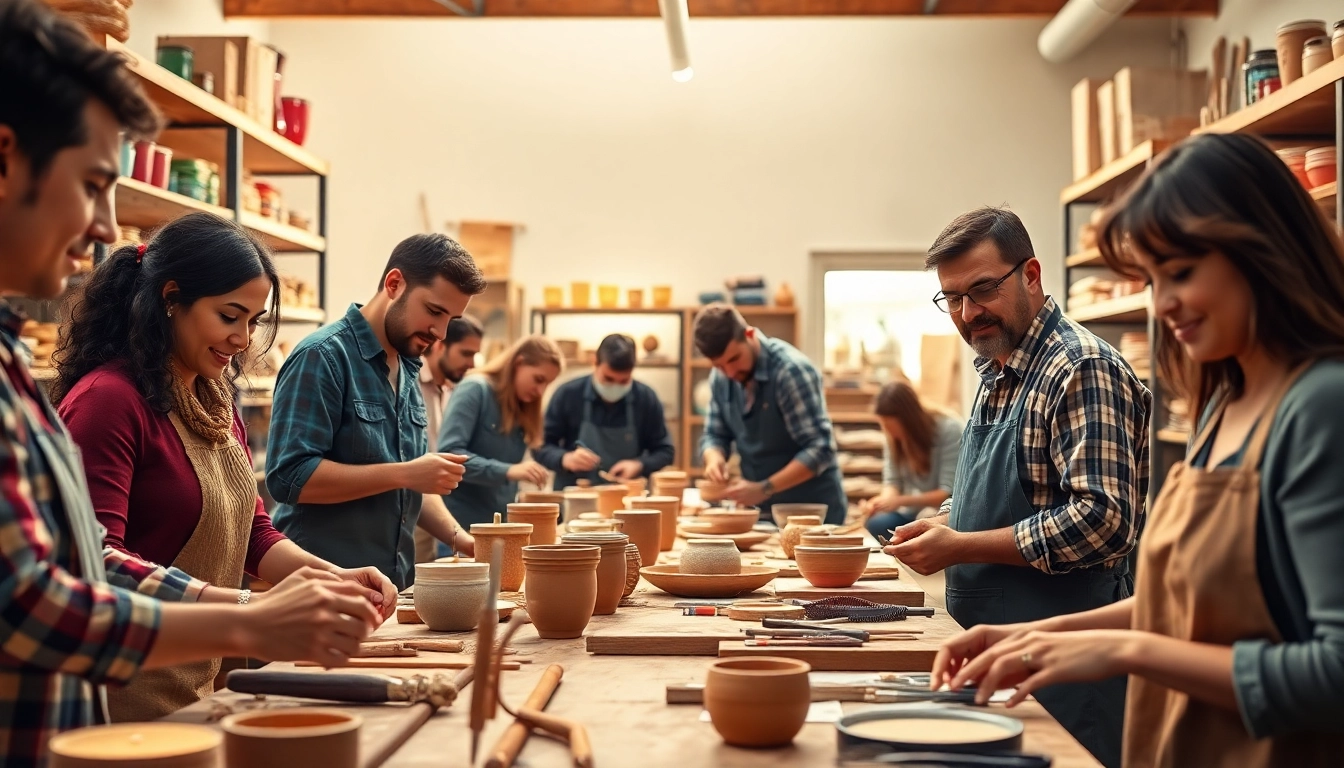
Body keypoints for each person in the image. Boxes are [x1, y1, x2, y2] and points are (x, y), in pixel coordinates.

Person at [0, 2, 377, 762]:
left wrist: (280, 596)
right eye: (95, 183)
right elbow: (27, 602)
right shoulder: (106, 398)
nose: (108, 226)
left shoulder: (18, 365)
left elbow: (92, 560)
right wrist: (244, 620)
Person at [932, 134, 1344, 767]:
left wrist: (1124, 652)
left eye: (1180, 272)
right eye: (1152, 279)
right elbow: (1173, 603)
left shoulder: (1319, 405)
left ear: (1260, 251)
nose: (1163, 304)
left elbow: (1333, 672)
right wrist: (1024, 636)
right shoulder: (1224, 403)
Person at [52, 212, 398, 721]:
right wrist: (245, 609)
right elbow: (95, 563)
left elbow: (254, 534)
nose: (242, 339)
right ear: (171, 299)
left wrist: (335, 578)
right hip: (121, 693)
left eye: (253, 322)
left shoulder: (212, 400)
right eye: (229, 316)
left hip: (193, 679)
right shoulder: (109, 401)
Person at [883, 206, 1149, 767]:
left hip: (1064, 668)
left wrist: (962, 545)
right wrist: (945, 520)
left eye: (981, 290)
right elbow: (999, 493)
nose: (967, 313)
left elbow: (1104, 522)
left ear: (1031, 275)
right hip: (993, 652)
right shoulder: (999, 368)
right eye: (951, 298)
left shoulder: (1080, 368)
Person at [266, 233, 487, 590]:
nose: (441, 332)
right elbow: (289, 477)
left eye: (452, 318)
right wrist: (404, 474)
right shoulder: (322, 357)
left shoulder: (409, 366)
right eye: (434, 311)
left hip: (390, 590)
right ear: (395, 283)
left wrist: (462, 540)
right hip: (319, 592)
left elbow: (411, 481)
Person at [694, 304, 846, 525]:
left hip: (812, 514)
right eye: (718, 366)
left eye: (734, 359)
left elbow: (820, 448)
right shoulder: (721, 378)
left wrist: (765, 488)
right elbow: (714, 434)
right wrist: (713, 457)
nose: (730, 373)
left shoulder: (790, 371)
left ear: (749, 334)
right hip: (762, 512)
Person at [437, 335, 562, 528]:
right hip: (460, 528)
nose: (540, 391)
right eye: (538, 379)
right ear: (518, 363)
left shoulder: (522, 406)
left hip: (501, 526)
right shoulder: (475, 390)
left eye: (547, 384)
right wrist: (509, 470)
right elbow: (450, 455)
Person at [537, 333, 676, 490]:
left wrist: (639, 465)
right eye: (608, 379)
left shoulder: (645, 398)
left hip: (628, 502)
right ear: (595, 362)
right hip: (575, 500)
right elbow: (540, 446)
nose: (615, 387)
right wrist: (564, 458)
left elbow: (665, 451)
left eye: (624, 381)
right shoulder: (568, 394)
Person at [414, 315, 484, 563]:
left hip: (437, 507)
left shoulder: (453, 388)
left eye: (475, 355)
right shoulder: (410, 383)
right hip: (412, 504)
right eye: (465, 353)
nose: (471, 363)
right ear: (441, 345)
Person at [859, 379, 963, 541]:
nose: (887, 430)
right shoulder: (893, 436)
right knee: (876, 523)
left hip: (945, 511)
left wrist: (899, 501)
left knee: (927, 519)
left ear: (909, 419)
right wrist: (882, 503)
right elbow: (892, 482)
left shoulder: (949, 429)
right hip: (913, 511)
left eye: (889, 424)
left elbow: (946, 492)